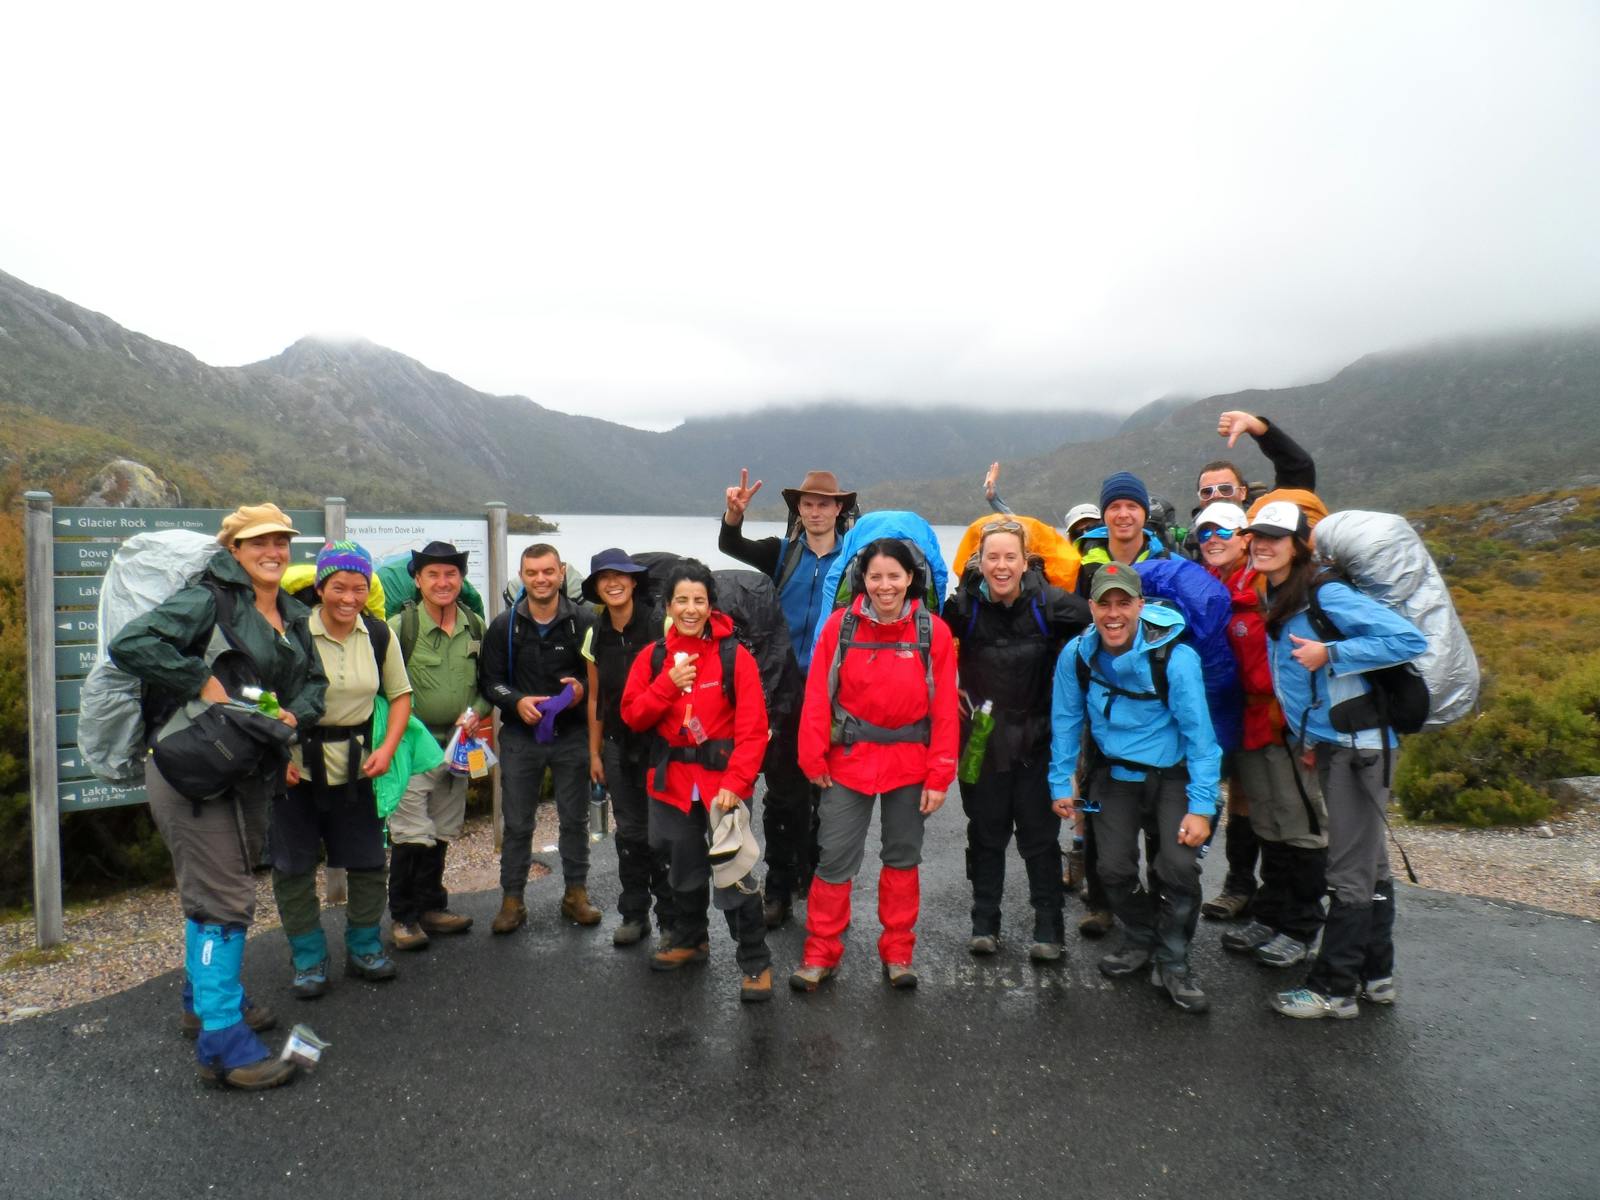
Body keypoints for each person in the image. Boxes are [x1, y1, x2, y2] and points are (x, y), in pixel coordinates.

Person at [109, 503, 326, 1090]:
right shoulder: (210, 599)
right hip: (191, 771)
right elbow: (132, 644)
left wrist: (290, 714)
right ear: (234, 550)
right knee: (225, 901)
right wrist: (200, 681)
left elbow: (316, 687)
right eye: (259, 543)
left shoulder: (293, 613)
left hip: (250, 768)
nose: (273, 552)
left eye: (281, 541)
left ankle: (201, 999)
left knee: (216, 891)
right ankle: (224, 1044)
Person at [1247, 501, 1427, 1019]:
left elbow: (1407, 639)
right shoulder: (1280, 591)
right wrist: (1309, 736)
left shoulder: (1326, 593)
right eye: (1258, 534)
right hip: (1336, 741)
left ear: (1299, 543)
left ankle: (1334, 990)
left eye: (1276, 536)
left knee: (1348, 870)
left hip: (1360, 748)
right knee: (1372, 865)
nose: (1263, 543)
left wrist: (1333, 655)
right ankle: (1376, 974)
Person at [1049, 562, 1221, 1014]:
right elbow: (1066, 723)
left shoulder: (1176, 659)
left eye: (1123, 603)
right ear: (1090, 607)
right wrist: (1058, 783)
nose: (1113, 614)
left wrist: (1201, 808)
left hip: (1173, 776)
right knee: (1112, 871)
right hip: (1114, 775)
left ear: (1139, 606)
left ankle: (1175, 959)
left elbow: (1202, 741)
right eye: (1103, 603)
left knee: (1178, 867)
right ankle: (1143, 937)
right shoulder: (1078, 655)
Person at [790, 538, 959, 991]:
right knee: (834, 860)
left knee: (902, 860)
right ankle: (820, 952)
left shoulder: (933, 633)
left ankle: (899, 952)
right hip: (848, 760)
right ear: (861, 580)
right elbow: (816, 698)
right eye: (875, 576)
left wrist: (940, 774)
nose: (885, 586)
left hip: (910, 763)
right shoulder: (839, 628)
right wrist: (812, 757)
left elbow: (944, 709)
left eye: (894, 576)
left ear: (910, 579)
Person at [619, 559, 774, 1001]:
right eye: (681, 600)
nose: (690, 609)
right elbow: (632, 716)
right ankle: (691, 940)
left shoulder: (733, 656)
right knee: (680, 869)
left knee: (735, 872)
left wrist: (737, 782)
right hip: (670, 784)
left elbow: (753, 728)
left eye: (699, 600)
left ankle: (755, 961)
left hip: (720, 787)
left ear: (710, 605)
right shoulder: (653, 657)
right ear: (668, 605)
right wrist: (667, 684)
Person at [1190, 502, 1330, 968]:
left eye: (1225, 530)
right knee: (1269, 823)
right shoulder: (1222, 589)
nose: (1214, 538)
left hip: (1287, 724)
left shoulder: (1283, 591)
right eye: (1205, 530)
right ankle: (1272, 915)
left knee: (1301, 825)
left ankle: (1302, 925)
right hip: (1246, 723)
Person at [942, 519, 1088, 960]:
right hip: (978, 740)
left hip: (1036, 737)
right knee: (984, 833)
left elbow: (1103, 628)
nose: (1001, 565)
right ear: (979, 562)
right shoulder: (962, 610)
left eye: (1010, 557)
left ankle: (1049, 927)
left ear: (1025, 562)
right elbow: (923, 645)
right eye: (993, 557)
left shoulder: (1051, 603)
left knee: (1039, 837)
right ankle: (984, 922)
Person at [272, 541, 411, 999]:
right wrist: (276, 756)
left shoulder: (377, 635)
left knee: (369, 861)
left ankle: (365, 948)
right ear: (320, 587)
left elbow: (401, 695)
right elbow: (265, 698)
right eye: (338, 587)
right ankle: (308, 958)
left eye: (357, 587)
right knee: (293, 866)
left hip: (357, 767)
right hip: (296, 766)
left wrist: (388, 748)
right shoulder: (291, 632)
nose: (348, 597)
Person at [719, 467, 856, 925]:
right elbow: (731, 547)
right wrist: (733, 516)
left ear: (839, 509)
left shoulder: (855, 561)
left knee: (828, 794)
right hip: (782, 688)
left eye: (824, 504)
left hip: (835, 688)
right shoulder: (783, 555)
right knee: (783, 793)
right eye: (808, 504)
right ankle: (779, 887)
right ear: (798, 509)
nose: (815, 511)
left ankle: (813, 878)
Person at [478, 544, 599, 934]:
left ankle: (575, 895)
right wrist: (516, 702)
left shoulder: (583, 621)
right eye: (532, 573)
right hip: (520, 738)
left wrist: (579, 690)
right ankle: (512, 900)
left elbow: (600, 677)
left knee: (575, 820)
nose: (541, 579)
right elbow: (489, 681)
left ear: (561, 572)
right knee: (517, 824)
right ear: (522, 575)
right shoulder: (504, 625)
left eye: (548, 571)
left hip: (572, 736)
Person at [1071, 471, 1171, 936]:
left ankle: (1156, 900)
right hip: (1098, 698)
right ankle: (1102, 899)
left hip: (1153, 702)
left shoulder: (1167, 559)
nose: (1124, 514)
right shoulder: (1085, 562)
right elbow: (1074, 625)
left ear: (1143, 513)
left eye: (1132, 505)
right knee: (1096, 799)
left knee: (1154, 808)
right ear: (1105, 513)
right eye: (1115, 506)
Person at [385, 541, 489, 951]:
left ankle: (432, 907)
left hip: (457, 747)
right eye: (433, 575)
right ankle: (403, 917)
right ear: (418, 579)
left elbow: (485, 687)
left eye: (450, 574)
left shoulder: (475, 626)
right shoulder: (399, 628)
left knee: (442, 830)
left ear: (461, 579)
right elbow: (382, 693)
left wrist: (476, 712)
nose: (443, 582)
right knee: (411, 833)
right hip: (411, 747)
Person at [580, 548, 674, 948]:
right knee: (630, 833)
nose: (613, 583)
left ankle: (672, 920)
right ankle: (634, 914)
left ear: (635, 581)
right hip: (618, 746)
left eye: (621, 576)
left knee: (664, 833)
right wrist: (596, 753)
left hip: (660, 747)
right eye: (604, 578)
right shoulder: (594, 632)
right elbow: (595, 698)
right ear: (597, 588)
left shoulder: (661, 625)